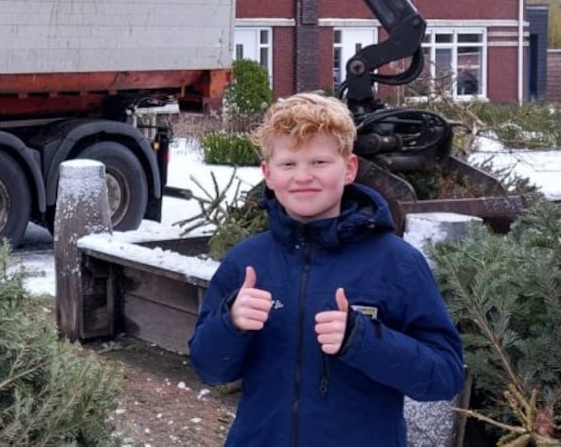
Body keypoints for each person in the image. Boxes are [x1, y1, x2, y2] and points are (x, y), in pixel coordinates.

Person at [188, 92, 463, 447]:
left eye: (319, 162)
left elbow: (444, 376)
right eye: (289, 164)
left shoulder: (397, 264)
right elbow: (209, 368)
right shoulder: (246, 262)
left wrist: (362, 339)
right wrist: (231, 322)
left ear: (348, 169)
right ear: (268, 174)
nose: (303, 177)